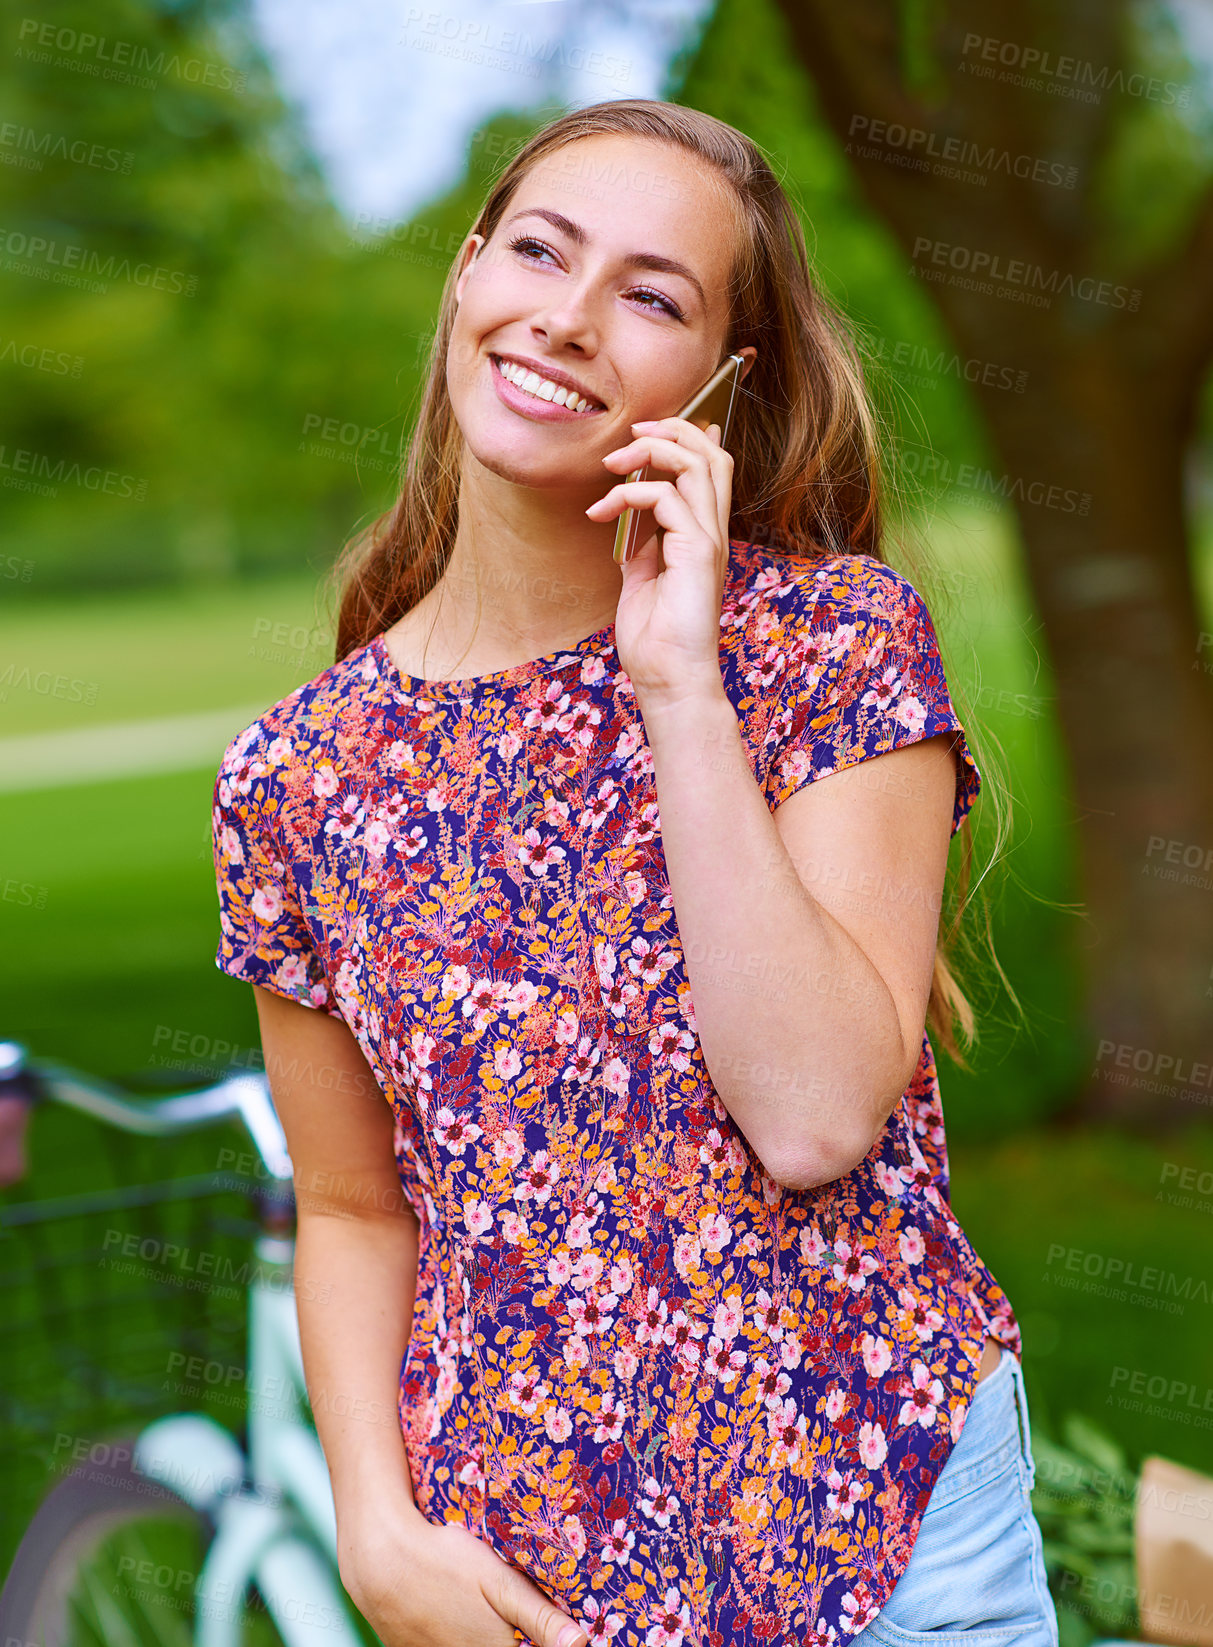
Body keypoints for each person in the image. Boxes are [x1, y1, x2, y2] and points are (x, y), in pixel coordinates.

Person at [211, 99, 1058, 1647]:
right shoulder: (299, 773)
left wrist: (677, 687)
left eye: (653, 296)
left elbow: (810, 1118)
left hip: (879, 1542)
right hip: (529, 1583)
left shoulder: (824, 648)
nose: (572, 318)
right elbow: (348, 1202)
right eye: (540, 250)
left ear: (721, 383)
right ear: (467, 277)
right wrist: (375, 1531)